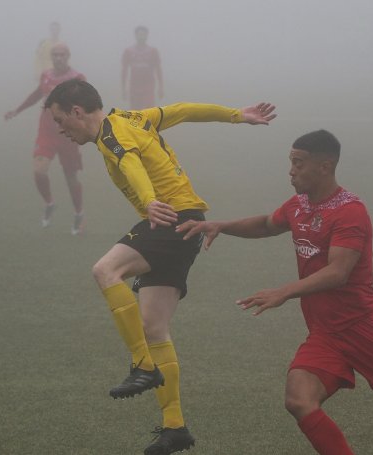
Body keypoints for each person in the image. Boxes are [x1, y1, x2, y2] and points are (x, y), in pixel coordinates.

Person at [177, 129, 373, 454]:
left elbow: (338, 273)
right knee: (299, 399)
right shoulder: (299, 205)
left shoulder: (350, 211)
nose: (291, 171)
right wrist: (222, 226)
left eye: (299, 163)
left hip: (364, 327)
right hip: (326, 333)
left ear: (324, 167)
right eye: (291, 162)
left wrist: (285, 291)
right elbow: (268, 224)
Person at [43, 78, 277, 455]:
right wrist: (237, 116)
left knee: (106, 271)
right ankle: (175, 428)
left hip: (170, 218)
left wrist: (151, 201)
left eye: (60, 120)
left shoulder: (110, 134)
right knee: (154, 327)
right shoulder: (134, 118)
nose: (60, 129)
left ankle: (142, 365)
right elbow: (183, 110)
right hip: (188, 223)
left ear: (77, 112)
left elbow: (130, 161)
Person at [5, 43, 85, 233]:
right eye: (55, 55)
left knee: (70, 177)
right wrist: (17, 110)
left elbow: (87, 104)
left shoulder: (77, 78)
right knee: (39, 170)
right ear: (52, 57)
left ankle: (79, 214)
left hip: (68, 135)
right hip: (47, 132)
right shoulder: (46, 76)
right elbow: (36, 94)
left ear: (68, 56)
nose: (59, 58)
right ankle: (49, 203)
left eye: (62, 55)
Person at [121, 26, 163, 110]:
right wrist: (123, 89)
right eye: (139, 34)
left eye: (144, 34)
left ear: (147, 36)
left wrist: (161, 87)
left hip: (148, 86)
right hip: (134, 86)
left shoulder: (153, 51)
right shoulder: (128, 51)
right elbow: (124, 71)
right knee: (135, 112)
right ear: (135, 35)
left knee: (149, 110)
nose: (141, 36)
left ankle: (150, 123)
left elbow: (158, 70)